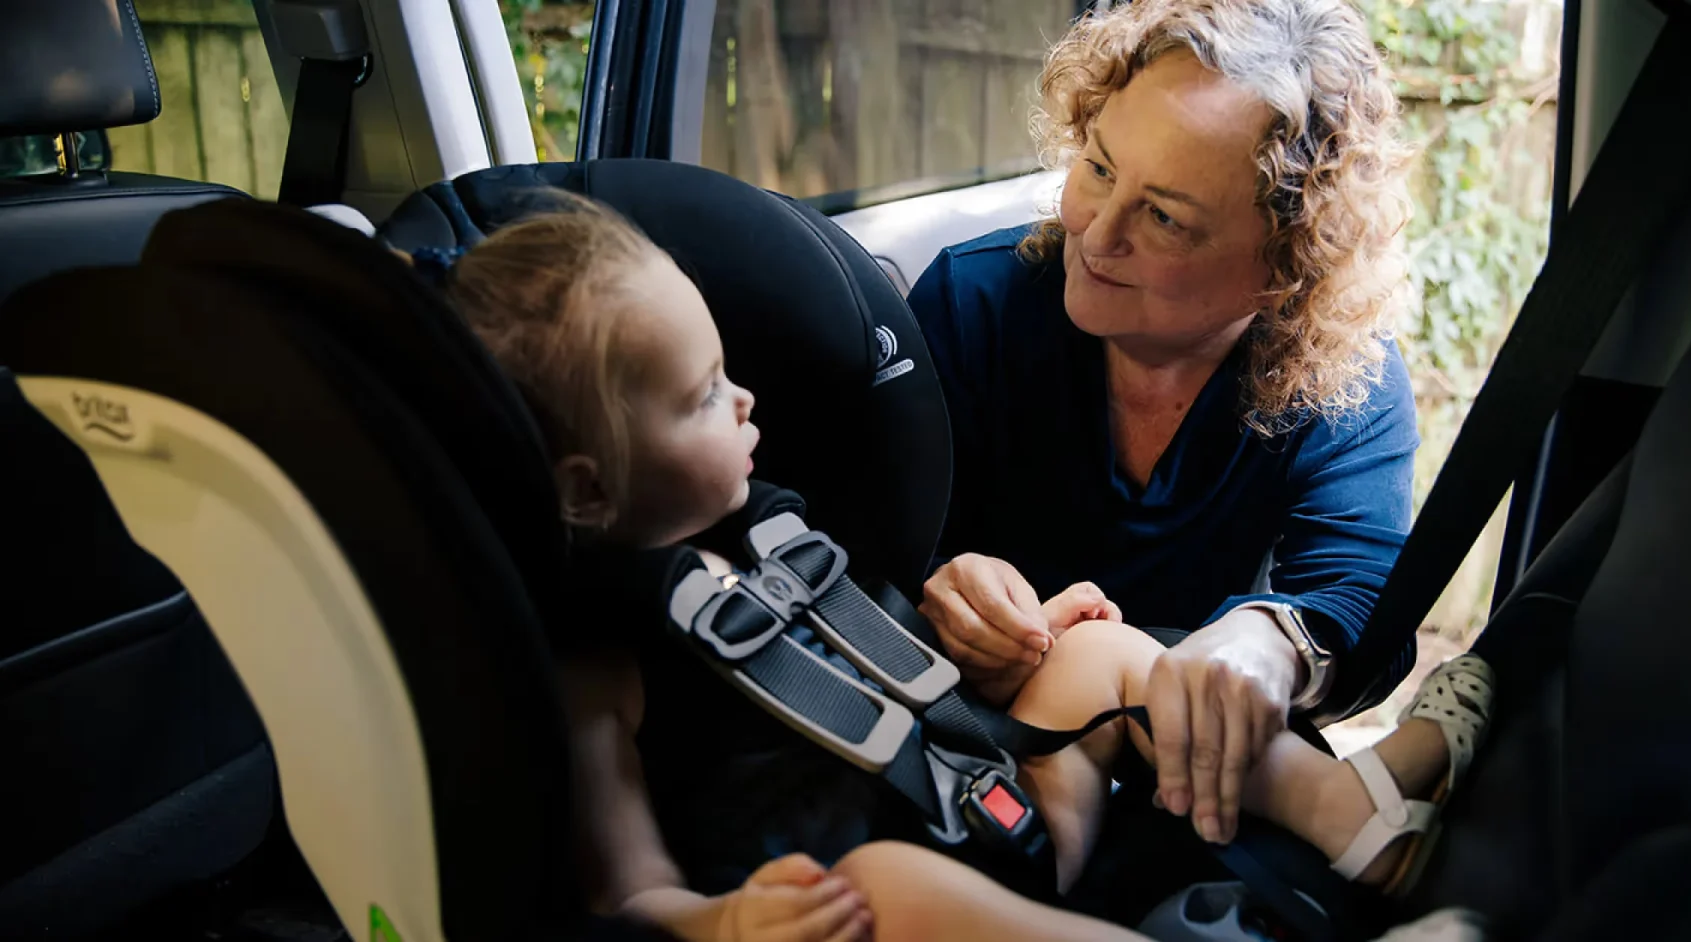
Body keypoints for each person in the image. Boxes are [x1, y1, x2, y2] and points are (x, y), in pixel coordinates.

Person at [419, 190, 1494, 942]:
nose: (746, 401)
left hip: (989, 794)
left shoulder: (776, 528)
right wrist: (727, 923)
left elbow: (868, 668)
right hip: (876, 883)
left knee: (1105, 653)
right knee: (885, 889)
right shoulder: (598, 664)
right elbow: (624, 893)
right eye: (702, 396)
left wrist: (990, 645)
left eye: (728, 373)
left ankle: (1359, 824)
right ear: (585, 491)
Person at [908, 0, 1422, 851]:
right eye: (1100, 169)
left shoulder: (1345, 379)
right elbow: (867, 539)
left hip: (1202, 780)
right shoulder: (974, 303)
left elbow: (1365, 602)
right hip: (972, 745)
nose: (1093, 232)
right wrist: (941, 599)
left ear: (1286, 263)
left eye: (1166, 218)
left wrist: (1269, 644)